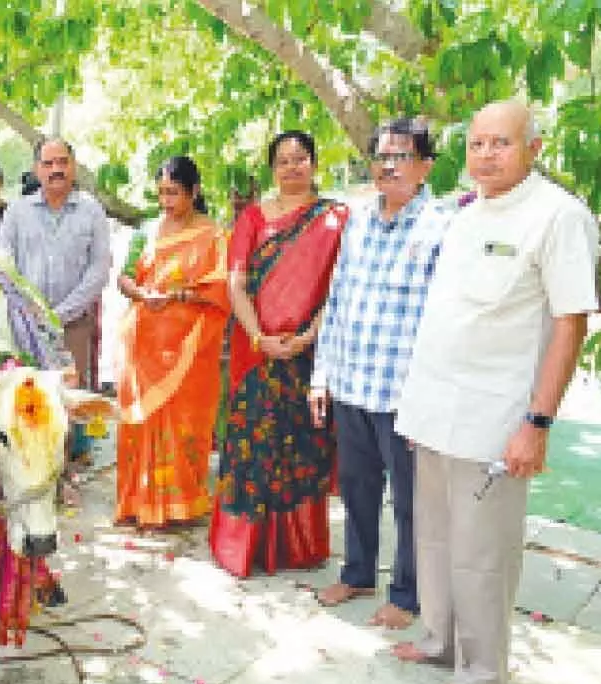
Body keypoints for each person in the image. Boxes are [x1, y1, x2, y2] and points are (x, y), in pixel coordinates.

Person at [391, 101, 599, 684]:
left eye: (500, 143)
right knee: (433, 537)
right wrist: (415, 406)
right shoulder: (466, 212)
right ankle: (439, 638)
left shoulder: (559, 216)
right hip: (432, 408)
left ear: (532, 148)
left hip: (495, 418)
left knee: (483, 551)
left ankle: (482, 672)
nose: (485, 154)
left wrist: (537, 424)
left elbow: (570, 322)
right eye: (478, 143)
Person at [309, 118, 455, 630]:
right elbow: (338, 298)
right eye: (381, 156)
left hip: (405, 395)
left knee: (412, 502)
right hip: (352, 383)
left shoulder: (441, 226)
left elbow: (447, 320)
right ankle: (358, 573)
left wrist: (432, 396)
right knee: (356, 487)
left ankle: (408, 593)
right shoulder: (357, 221)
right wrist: (321, 375)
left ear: (425, 166)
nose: (389, 166)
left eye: (402, 156)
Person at [209, 130, 349, 578]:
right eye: (284, 161)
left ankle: (299, 546)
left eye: (301, 158)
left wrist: (309, 334)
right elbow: (236, 282)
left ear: (314, 163)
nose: (293, 168)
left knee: (303, 444)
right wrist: (258, 336)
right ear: (273, 169)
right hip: (257, 353)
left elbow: (342, 286)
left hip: (311, 353)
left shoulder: (335, 218)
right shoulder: (252, 218)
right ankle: (243, 546)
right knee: (253, 446)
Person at [115, 156, 229, 528]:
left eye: (174, 193)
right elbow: (125, 278)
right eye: (161, 193)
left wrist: (181, 296)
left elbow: (220, 288)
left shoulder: (213, 235)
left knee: (184, 420)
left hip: (190, 350)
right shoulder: (145, 232)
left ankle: (181, 503)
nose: (166, 201)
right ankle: (139, 502)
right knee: (142, 421)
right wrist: (142, 294)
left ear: (194, 191)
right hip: (143, 344)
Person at [0, 138, 111, 390]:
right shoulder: (16, 212)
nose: (56, 170)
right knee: (26, 403)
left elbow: (100, 270)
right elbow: (4, 266)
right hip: (26, 326)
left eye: (62, 162)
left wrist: (60, 315)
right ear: (37, 169)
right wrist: (30, 311)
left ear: (74, 166)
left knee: (72, 405)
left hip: (74, 327)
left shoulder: (92, 211)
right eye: (48, 163)